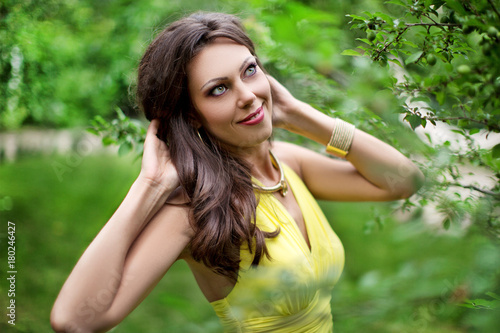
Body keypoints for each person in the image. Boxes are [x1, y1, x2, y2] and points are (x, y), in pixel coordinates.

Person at [50, 11, 424, 332]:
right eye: (218, 89)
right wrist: (149, 186)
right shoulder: (196, 212)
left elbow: (404, 180)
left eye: (249, 70)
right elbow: (75, 321)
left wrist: (301, 116)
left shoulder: (287, 163)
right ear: (192, 114)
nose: (246, 94)